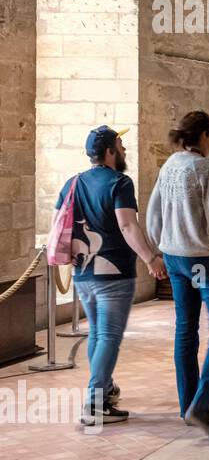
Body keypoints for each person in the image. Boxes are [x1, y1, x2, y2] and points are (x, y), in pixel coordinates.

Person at [54, 126, 166, 427]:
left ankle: (104, 391)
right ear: (109, 152)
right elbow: (128, 226)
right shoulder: (119, 183)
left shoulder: (72, 183)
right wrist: (151, 258)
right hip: (113, 273)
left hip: (82, 273)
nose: (125, 150)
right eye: (120, 145)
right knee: (109, 337)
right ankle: (94, 403)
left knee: (98, 334)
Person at [146, 110, 209, 439]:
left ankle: (187, 403)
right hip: (203, 259)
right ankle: (202, 407)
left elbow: (153, 212)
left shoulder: (170, 165)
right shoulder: (208, 168)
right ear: (203, 135)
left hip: (175, 258)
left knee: (185, 330)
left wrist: (160, 247)